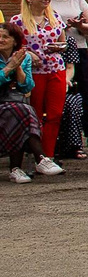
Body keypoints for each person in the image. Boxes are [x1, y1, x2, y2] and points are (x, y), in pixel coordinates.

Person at [8, 0, 72, 178]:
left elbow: (64, 43)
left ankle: (48, 156)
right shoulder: (18, 21)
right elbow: (12, 46)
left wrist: (58, 48)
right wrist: (27, 54)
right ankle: (36, 156)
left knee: (54, 114)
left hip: (55, 69)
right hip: (32, 72)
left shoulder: (55, 19)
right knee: (34, 114)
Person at [39, 0, 88, 166]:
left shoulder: (78, 2)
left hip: (77, 48)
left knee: (82, 92)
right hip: (51, 52)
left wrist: (79, 25)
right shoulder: (48, 0)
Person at [0, 25, 40, 182]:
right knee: (22, 111)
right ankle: (40, 158)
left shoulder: (25, 58)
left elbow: (27, 87)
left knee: (19, 111)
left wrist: (18, 69)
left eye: (5, 37)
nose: (1, 40)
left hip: (12, 103)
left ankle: (17, 169)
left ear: (15, 41)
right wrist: (10, 67)